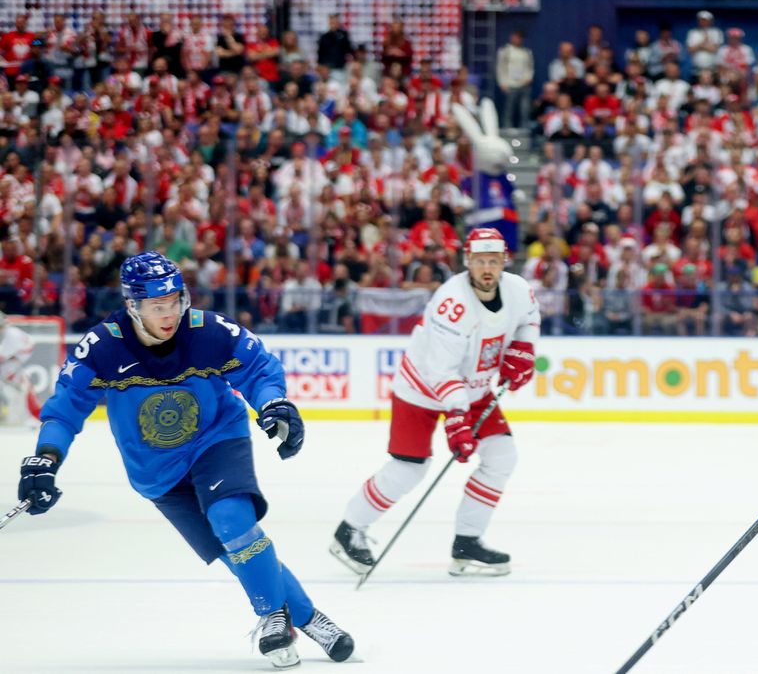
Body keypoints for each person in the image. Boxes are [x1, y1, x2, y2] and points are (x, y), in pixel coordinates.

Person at [17, 252, 354, 668]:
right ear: (132, 305)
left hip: (216, 440)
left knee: (232, 520)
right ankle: (311, 618)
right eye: (157, 305)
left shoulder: (209, 331)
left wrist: (273, 403)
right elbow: (66, 407)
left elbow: (258, 369)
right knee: (236, 552)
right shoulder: (102, 347)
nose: (169, 313)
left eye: (174, 300)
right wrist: (46, 459)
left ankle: (271, 615)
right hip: (155, 471)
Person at [331, 228, 540, 577]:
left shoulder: (518, 290)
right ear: (467, 261)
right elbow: (440, 370)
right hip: (421, 388)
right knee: (409, 468)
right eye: (480, 261)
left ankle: (467, 542)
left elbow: (529, 319)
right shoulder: (452, 304)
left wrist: (524, 348)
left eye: (493, 261)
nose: (487, 268)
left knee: (502, 456)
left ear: (504, 261)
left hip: (473, 388)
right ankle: (349, 529)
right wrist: (457, 420)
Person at [0, 311, 40, 424]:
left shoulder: (11, 335)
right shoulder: (10, 332)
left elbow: (1, 357)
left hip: (17, 362)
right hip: (14, 361)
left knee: (17, 391)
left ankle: (24, 418)